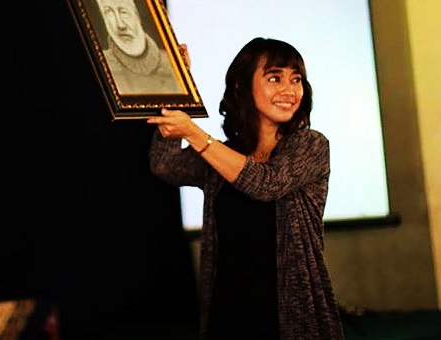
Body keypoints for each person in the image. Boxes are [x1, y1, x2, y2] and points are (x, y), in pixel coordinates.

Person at [147, 37, 344, 340]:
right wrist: (175, 84)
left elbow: (267, 183)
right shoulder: (224, 154)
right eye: (275, 78)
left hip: (290, 319)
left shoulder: (310, 145)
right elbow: (165, 165)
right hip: (228, 312)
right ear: (242, 86)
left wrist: (195, 134)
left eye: (296, 79)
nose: (289, 90)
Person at [89, 0, 181, 95]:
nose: (120, 25)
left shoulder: (171, 64)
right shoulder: (99, 67)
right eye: (109, 12)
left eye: (124, 12)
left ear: (137, 15)